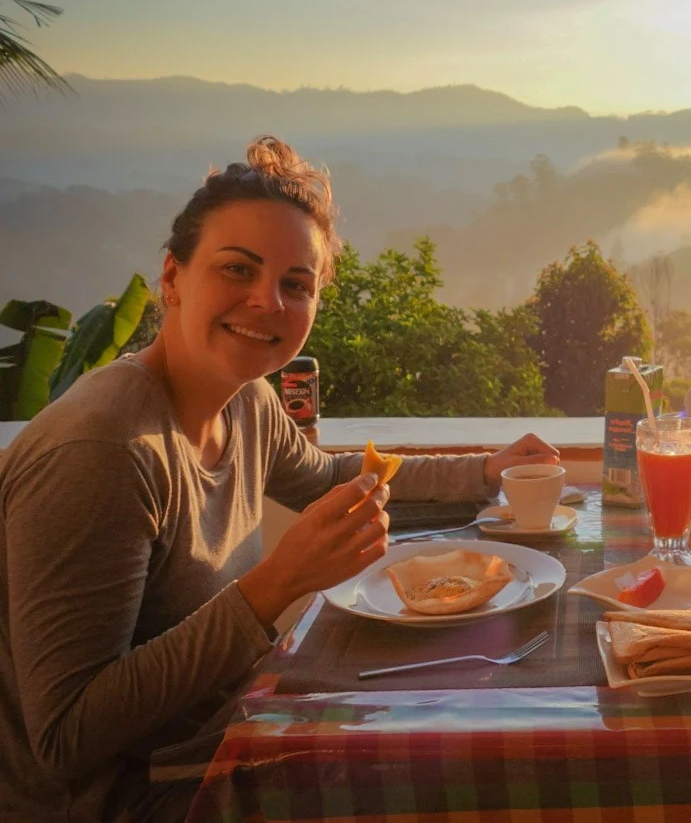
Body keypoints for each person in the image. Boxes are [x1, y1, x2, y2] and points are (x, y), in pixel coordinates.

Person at [0, 137, 559, 821]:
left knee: (462, 731)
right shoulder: (102, 451)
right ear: (173, 279)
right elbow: (65, 735)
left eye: (296, 284)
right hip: (124, 799)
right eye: (238, 269)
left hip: (219, 740)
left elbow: (328, 477)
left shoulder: (246, 400)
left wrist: (484, 471)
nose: (267, 302)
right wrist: (272, 588)